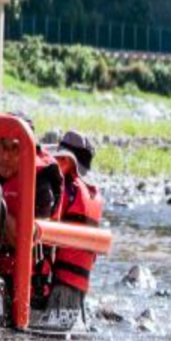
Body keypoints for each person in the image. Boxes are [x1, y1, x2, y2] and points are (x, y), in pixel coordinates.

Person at [0, 123, 62, 308]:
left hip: (28, 287)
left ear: (28, 150)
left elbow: (28, 240)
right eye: (2, 145)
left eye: (15, 148)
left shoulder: (42, 184)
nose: (6, 156)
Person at [45, 129, 103, 322]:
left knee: (52, 333)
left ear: (69, 163)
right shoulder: (92, 193)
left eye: (60, 160)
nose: (57, 164)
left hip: (62, 283)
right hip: (80, 283)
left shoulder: (69, 190)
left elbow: (50, 225)